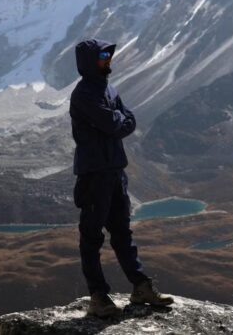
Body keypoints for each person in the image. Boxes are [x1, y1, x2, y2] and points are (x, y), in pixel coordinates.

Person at [69, 38, 175, 319]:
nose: (108, 59)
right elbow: (117, 123)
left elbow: (126, 119)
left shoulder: (106, 88)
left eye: (108, 55)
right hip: (94, 176)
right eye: (103, 55)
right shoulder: (84, 94)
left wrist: (119, 120)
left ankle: (141, 286)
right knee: (91, 237)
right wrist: (119, 119)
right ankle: (98, 296)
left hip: (114, 172)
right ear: (91, 61)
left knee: (122, 233)